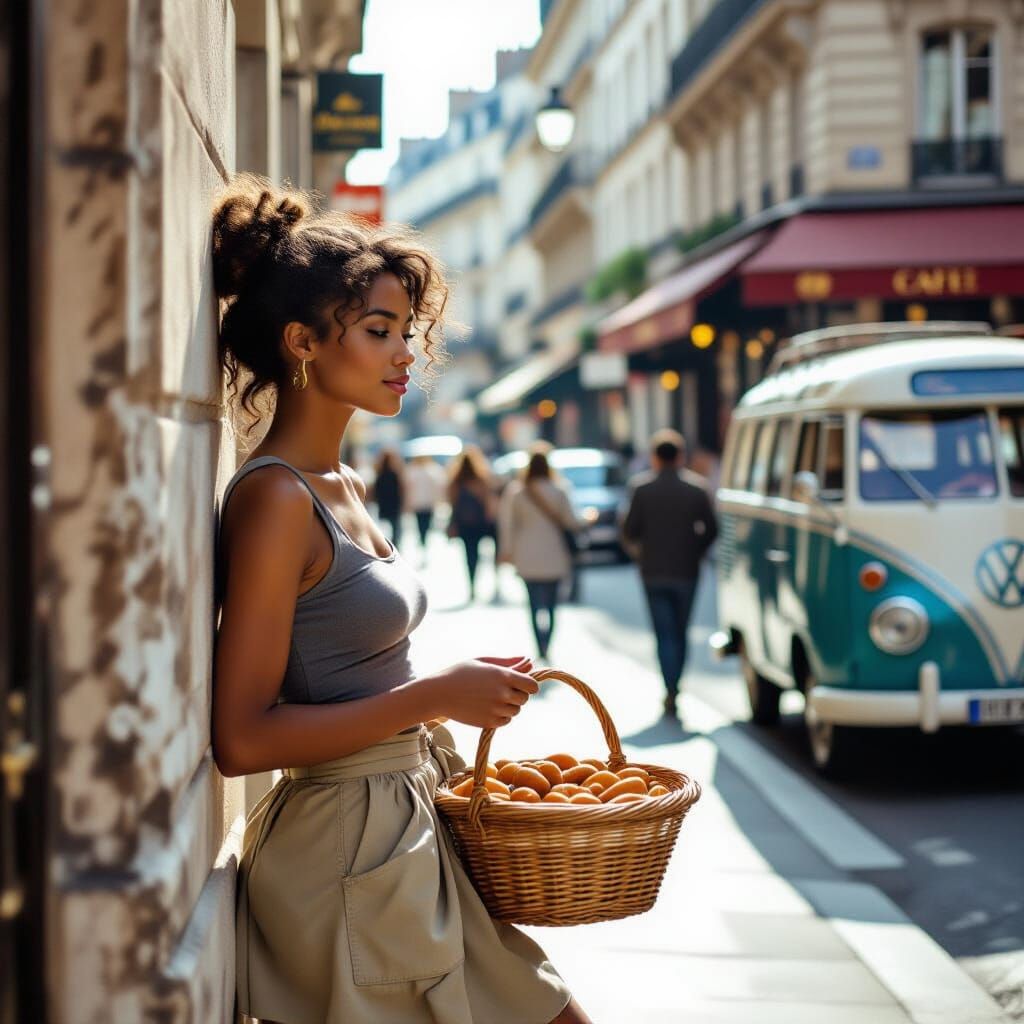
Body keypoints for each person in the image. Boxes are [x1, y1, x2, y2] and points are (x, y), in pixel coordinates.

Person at [210, 174, 589, 1024]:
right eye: (378, 331)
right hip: (348, 851)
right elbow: (239, 738)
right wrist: (435, 695)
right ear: (302, 342)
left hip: (400, 826)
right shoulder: (276, 499)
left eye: (406, 331)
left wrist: (441, 697)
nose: (404, 354)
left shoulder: (339, 480)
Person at [621, 429, 718, 721]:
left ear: (654, 458)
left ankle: (670, 687)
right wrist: (695, 550)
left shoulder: (641, 489)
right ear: (680, 457)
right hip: (686, 569)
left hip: (653, 570)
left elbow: (629, 531)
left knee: (664, 634)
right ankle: (675, 686)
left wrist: (642, 552)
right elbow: (712, 529)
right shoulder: (696, 489)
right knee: (680, 631)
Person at [498, 444, 584, 662]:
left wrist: (506, 552)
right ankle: (548, 643)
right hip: (554, 553)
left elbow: (507, 525)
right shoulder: (560, 489)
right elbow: (572, 521)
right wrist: (588, 520)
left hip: (526, 555)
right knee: (553, 604)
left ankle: (540, 644)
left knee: (533, 603)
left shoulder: (517, 491)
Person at [446, 446, 498, 601]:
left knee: (470, 555)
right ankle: (486, 581)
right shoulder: (481, 479)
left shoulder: (456, 480)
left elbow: (451, 503)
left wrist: (453, 522)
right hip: (480, 523)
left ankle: (472, 583)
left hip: (464, 523)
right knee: (482, 553)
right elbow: (489, 501)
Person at [404, 453, 447, 561]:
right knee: (423, 525)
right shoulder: (426, 470)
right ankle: (423, 541)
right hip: (423, 503)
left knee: (423, 525)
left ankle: (423, 541)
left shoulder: (426, 470)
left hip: (425, 503)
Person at [370, 447, 404, 550]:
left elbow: (375, 490)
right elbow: (400, 490)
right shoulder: (395, 473)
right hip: (393, 503)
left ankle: (387, 545)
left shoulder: (379, 474)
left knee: (385, 526)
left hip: (384, 503)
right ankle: (394, 545)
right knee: (395, 527)